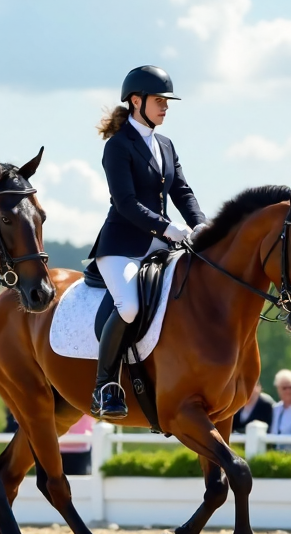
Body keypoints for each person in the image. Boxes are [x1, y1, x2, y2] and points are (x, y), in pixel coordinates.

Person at [87, 65, 208, 419]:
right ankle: (105, 385)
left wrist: (201, 226)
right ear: (136, 101)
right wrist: (170, 229)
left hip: (161, 245)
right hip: (121, 245)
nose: (165, 107)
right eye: (159, 100)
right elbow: (125, 203)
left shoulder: (166, 145)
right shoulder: (118, 146)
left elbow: (182, 191)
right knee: (128, 306)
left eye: (167, 101)